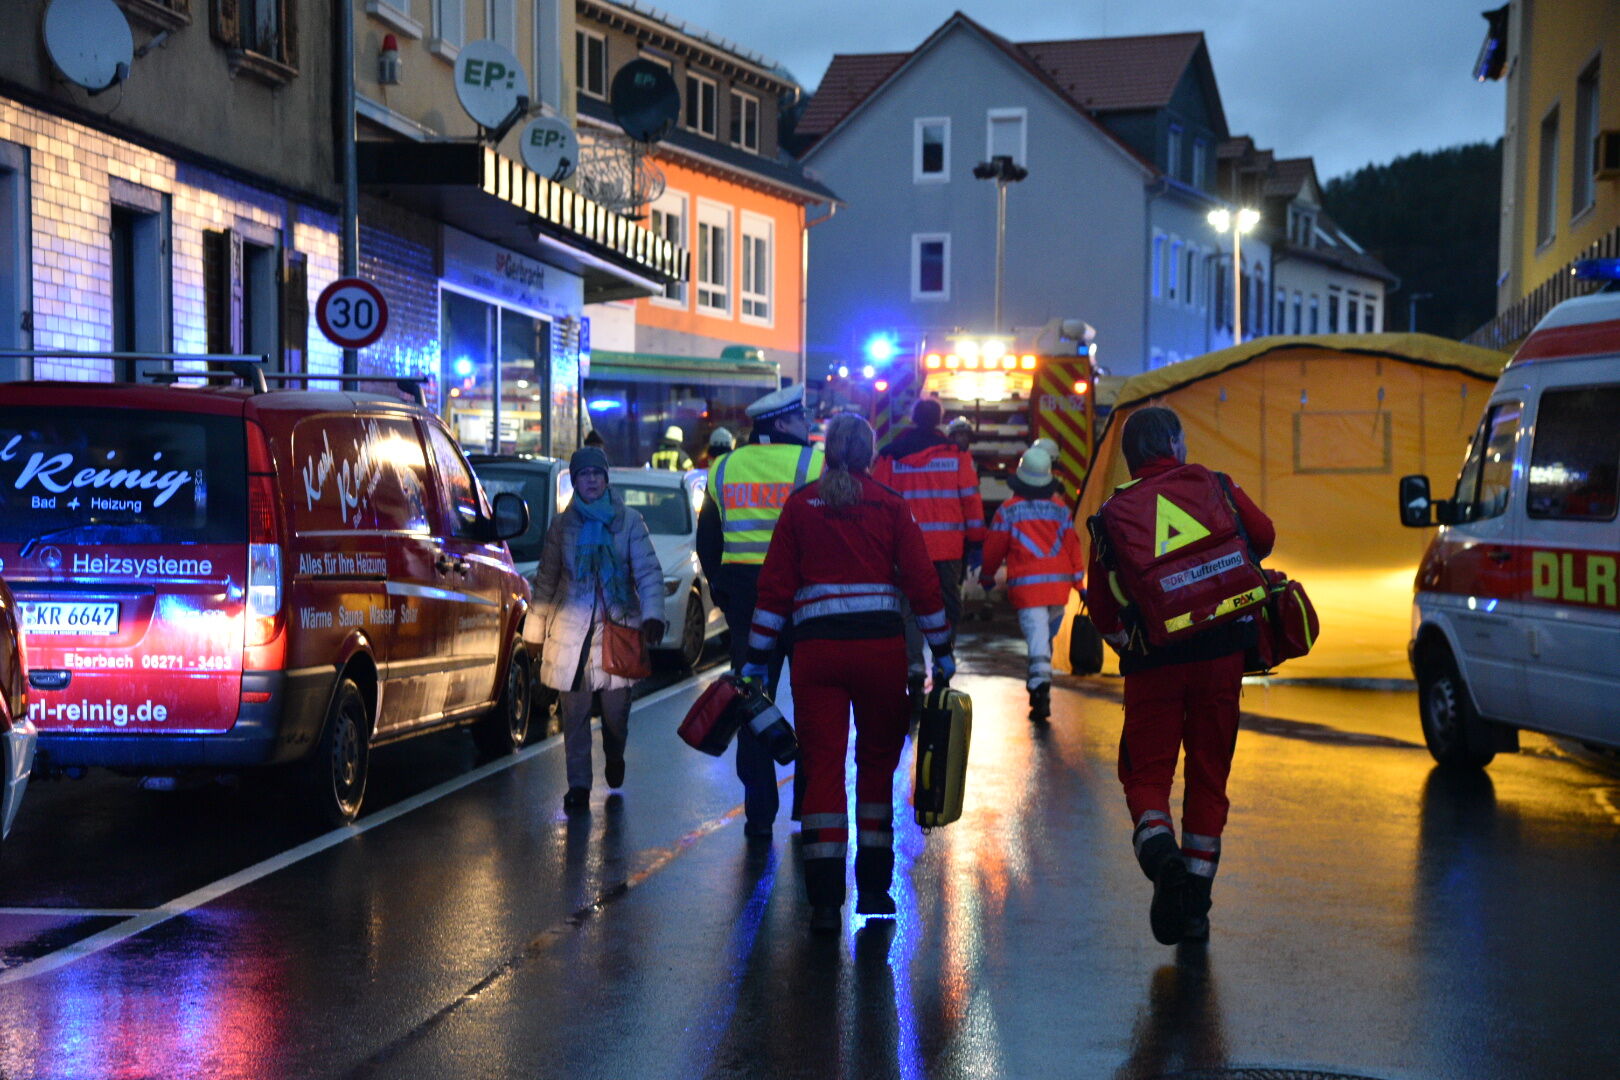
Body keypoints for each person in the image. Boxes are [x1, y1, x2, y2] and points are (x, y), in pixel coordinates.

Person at [745, 413, 953, 932]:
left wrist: (755, 658)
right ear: (869, 453)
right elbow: (924, 586)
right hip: (879, 654)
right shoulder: (890, 506)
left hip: (816, 658)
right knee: (877, 766)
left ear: (827, 451)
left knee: (823, 766)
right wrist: (941, 651)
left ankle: (822, 901)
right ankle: (877, 889)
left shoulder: (800, 507)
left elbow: (773, 592)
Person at [1086, 407, 1274, 946]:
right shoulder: (1216, 485)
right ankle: (1194, 905)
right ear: (1173, 442)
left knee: (1147, 777)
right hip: (1222, 655)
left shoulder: (1111, 515)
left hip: (1155, 662)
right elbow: (1264, 536)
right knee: (1209, 778)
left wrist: (1134, 647)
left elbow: (1101, 606)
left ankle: (1162, 859)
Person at [696, 384, 824, 836]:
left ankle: (759, 813)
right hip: (805, 601)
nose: (807, 421)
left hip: (747, 604)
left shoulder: (724, 467)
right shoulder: (814, 463)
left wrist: (723, 591)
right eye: (802, 416)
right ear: (785, 422)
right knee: (813, 704)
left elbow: (708, 540)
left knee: (752, 702)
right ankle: (810, 809)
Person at [533, 447, 666, 810]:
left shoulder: (629, 522)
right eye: (584, 474)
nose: (591, 480)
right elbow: (547, 579)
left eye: (597, 473)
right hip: (570, 636)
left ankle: (615, 755)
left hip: (617, 632)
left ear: (606, 478)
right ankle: (578, 786)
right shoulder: (563, 525)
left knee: (615, 716)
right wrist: (533, 631)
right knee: (573, 718)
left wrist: (653, 614)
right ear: (575, 481)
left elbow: (648, 574)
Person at [872, 398, 984, 701]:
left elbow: (877, 503)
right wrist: (975, 540)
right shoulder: (957, 455)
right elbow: (971, 501)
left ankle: (914, 670)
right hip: (947, 550)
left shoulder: (889, 455)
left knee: (908, 611)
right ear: (939, 420)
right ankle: (942, 666)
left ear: (912, 418)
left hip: (904, 550)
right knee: (947, 609)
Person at [979, 445, 1085, 722]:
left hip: (1028, 591)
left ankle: (1040, 692)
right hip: (1059, 591)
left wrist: (987, 576)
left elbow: (993, 549)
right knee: (1044, 640)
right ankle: (1040, 681)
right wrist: (1079, 581)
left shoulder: (1008, 510)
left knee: (1038, 642)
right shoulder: (1060, 510)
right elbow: (1073, 547)